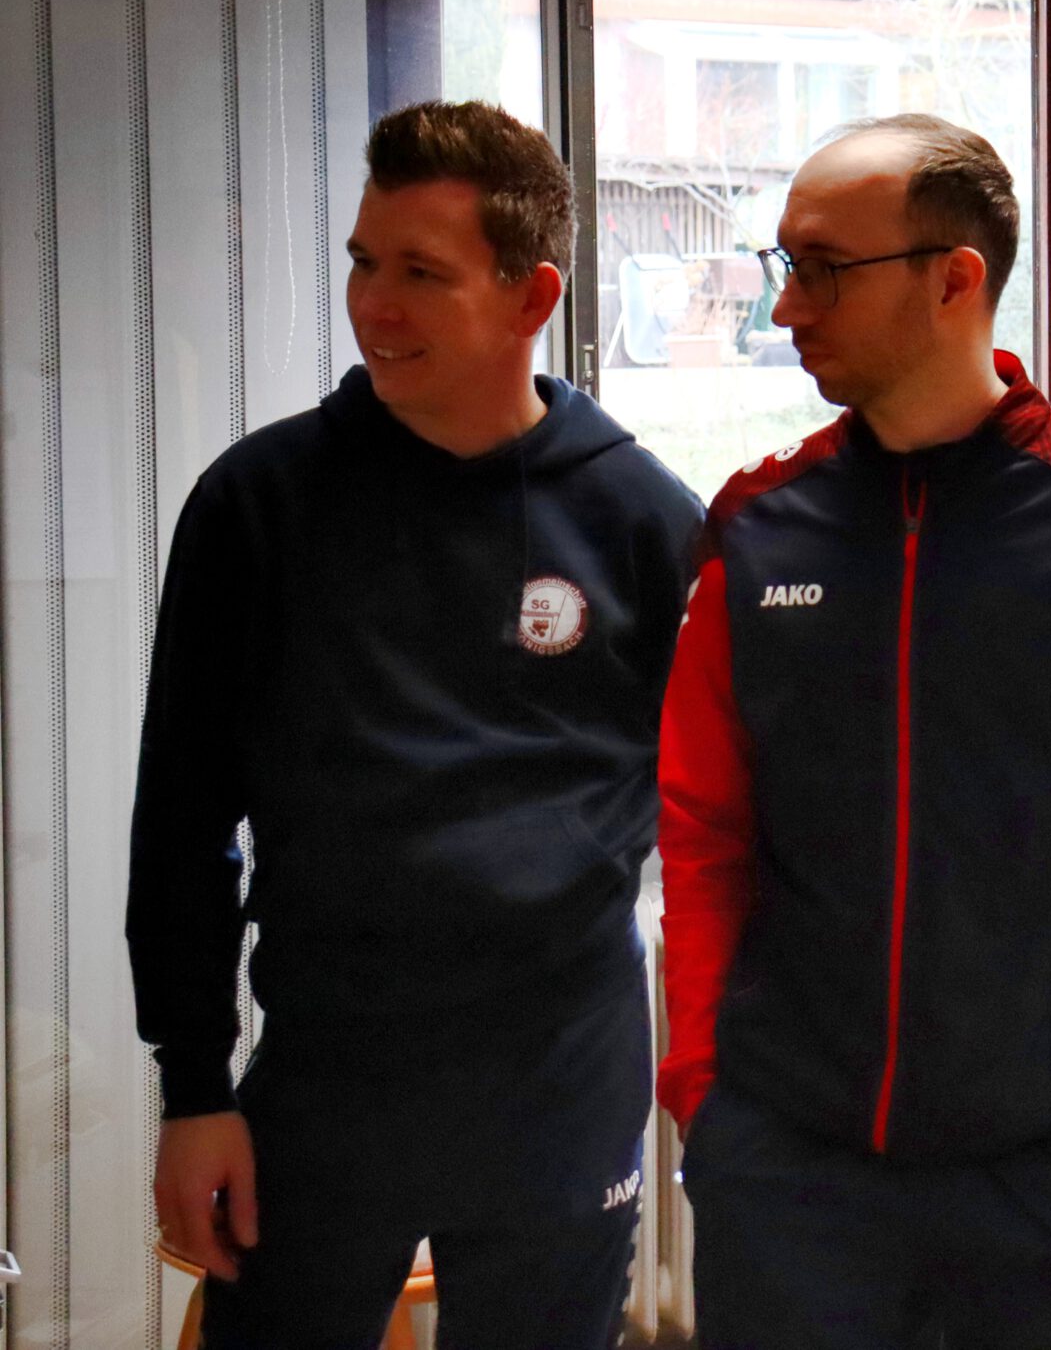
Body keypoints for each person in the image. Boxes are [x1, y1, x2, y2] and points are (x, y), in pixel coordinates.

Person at [658, 113, 1051, 1348]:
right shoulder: (756, 525)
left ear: (954, 279)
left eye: (823, 269)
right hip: (789, 1169)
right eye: (784, 267)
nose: (786, 308)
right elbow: (702, 830)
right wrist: (704, 1096)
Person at [129, 101, 703, 1348]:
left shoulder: (645, 523)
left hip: (564, 1079)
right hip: (330, 1078)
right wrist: (192, 1086)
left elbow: (717, 817)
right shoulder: (259, 506)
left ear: (531, 295)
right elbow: (181, 821)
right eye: (363, 263)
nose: (374, 306)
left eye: (420, 275)